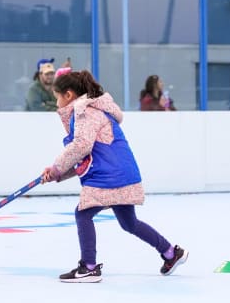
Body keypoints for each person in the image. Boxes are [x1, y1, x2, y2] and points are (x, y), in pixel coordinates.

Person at [42, 70, 188, 283]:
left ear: (69, 95)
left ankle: (89, 267)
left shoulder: (85, 112)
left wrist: (57, 168)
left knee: (83, 215)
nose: (56, 103)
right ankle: (170, 253)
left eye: (57, 97)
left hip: (109, 175)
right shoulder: (93, 111)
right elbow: (86, 158)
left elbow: (81, 146)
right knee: (129, 222)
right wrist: (58, 174)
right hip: (121, 173)